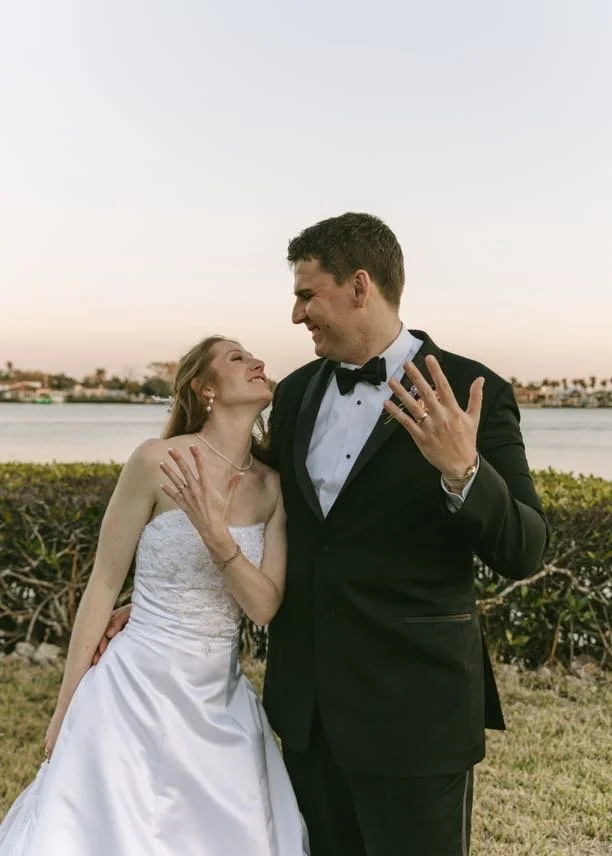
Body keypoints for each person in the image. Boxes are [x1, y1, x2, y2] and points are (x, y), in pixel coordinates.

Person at [96, 212, 548, 855]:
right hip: (306, 716)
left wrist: (464, 472)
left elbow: (525, 549)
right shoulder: (299, 393)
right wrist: (163, 595)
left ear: (360, 287)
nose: (296, 315)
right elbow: (266, 517)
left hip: (413, 717)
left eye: (308, 294)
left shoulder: (475, 389)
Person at [0, 336, 309, 856]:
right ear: (204, 388)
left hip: (221, 702)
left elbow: (264, 607)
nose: (257, 362)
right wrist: (64, 710)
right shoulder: (153, 461)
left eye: (253, 356)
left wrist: (217, 536)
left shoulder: (273, 485)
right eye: (237, 358)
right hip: (130, 692)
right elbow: (101, 586)